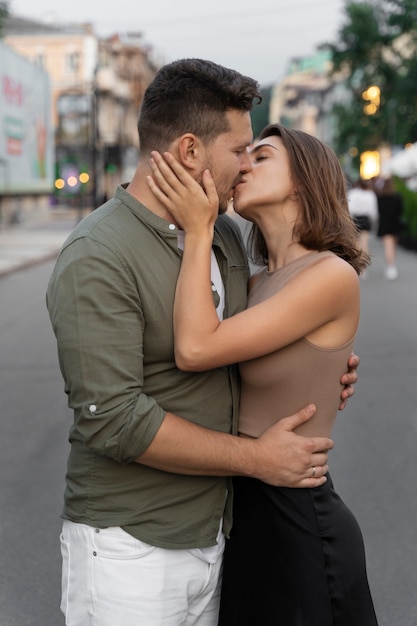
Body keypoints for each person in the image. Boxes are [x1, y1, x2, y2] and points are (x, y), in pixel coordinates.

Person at [46, 59, 359, 626]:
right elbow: (114, 419)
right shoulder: (98, 254)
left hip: (223, 535)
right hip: (132, 548)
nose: (245, 165)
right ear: (191, 151)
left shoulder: (225, 236)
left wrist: (316, 366)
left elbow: (238, 347)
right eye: (241, 150)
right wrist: (258, 458)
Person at [147, 123, 377, 625]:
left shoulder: (328, 274)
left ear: (303, 181)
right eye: (245, 154)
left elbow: (195, 346)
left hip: (298, 520)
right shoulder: (254, 283)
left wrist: (199, 228)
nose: (244, 164)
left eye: (263, 156)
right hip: (245, 514)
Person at [375, 175, 404, 280]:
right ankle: (391, 265)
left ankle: (390, 266)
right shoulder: (397, 196)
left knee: (388, 246)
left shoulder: (380, 197)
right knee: (393, 245)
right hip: (395, 224)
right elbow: (401, 210)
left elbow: (377, 211)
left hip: (384, 224)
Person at [347, 177, 378, 271]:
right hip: (366, 219)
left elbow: (349, 208)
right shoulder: (370, 194)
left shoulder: (353, 193)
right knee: (364, 245)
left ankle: (357, 266)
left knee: (355, 244)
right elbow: (373, 211)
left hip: (354, 219)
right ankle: (363, 268)